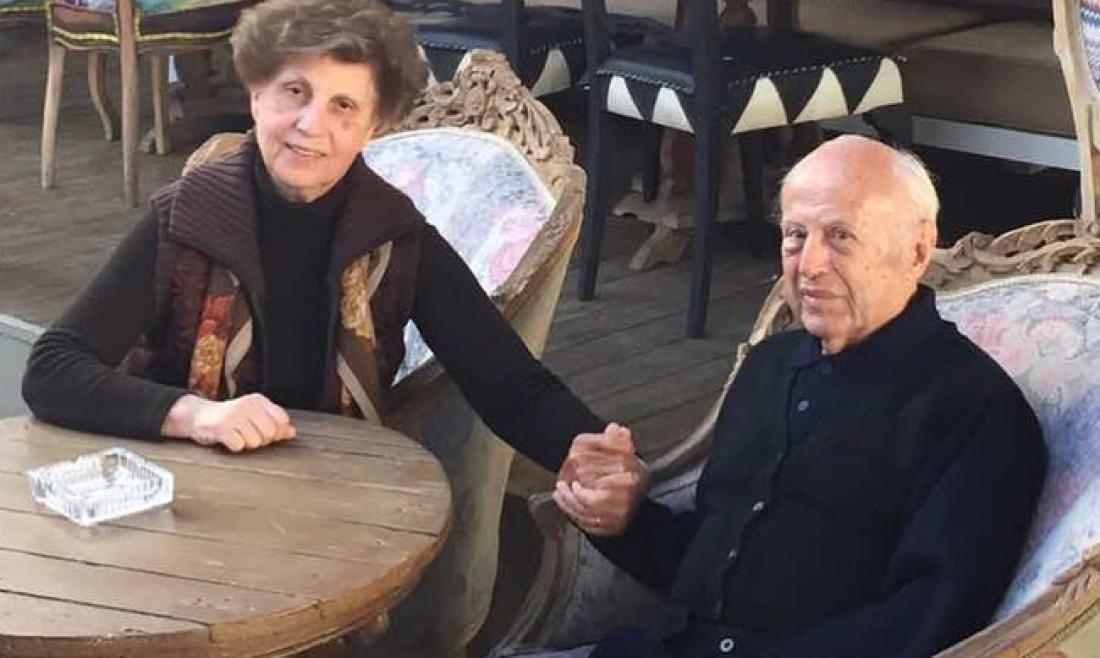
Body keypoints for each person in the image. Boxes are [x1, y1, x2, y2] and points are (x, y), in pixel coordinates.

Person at [21, 0, 608, 477]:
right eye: (295, 92)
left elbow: (510, 384)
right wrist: (193, 414)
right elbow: (52, 368)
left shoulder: (394, 234)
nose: (311, 125)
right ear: (257, 96)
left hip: (337, 496)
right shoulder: (188, 216)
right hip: (184, 489)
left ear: (372, 127)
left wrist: (597, 454)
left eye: (342, 105)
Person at [552, 135, 1048, 658]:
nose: (809, 265)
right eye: (795, 235)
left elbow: (924, 622)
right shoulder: (770, 365)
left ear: (918, 250)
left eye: (840, 236)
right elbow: (711, 564)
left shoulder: (977, 412)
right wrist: (624, 518)